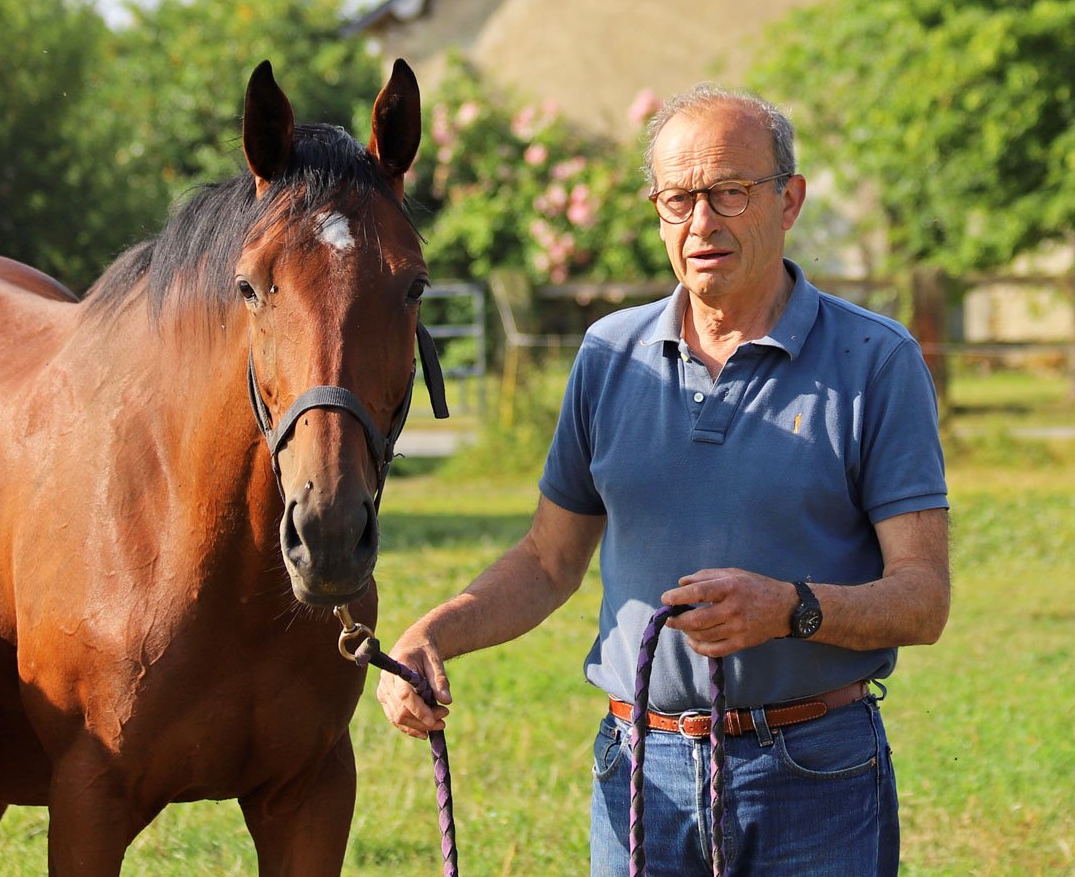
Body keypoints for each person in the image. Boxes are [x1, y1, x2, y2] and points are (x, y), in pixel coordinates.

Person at [376, 84, 949, 875]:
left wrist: (789, 608)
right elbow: (547, 561)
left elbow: (923, 597)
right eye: (679, 199)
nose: (702, 223)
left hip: (815, 770)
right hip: (640, 769)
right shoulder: (608, 355)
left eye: (730, 192)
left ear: (789, 201)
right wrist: (430, 634)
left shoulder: (875, 360)